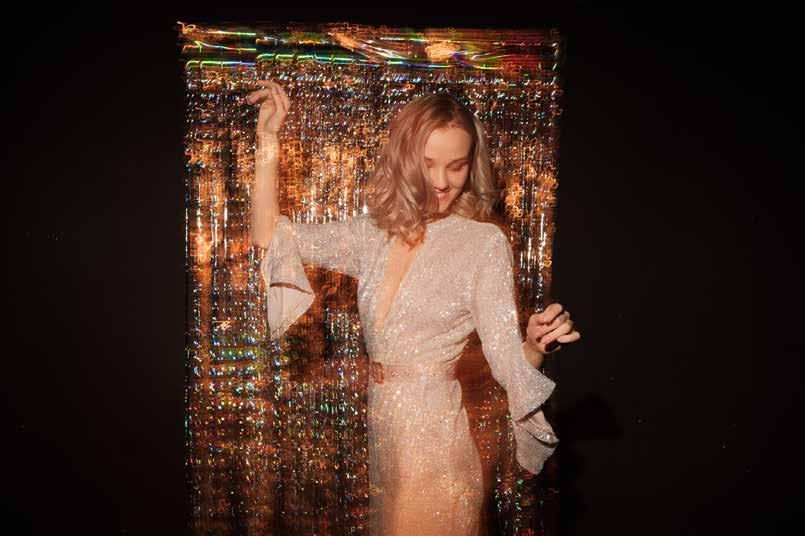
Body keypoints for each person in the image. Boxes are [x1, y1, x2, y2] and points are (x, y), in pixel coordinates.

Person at [247, 80, 581, 536]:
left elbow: (507, 360)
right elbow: (269, 236)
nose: (441, 182)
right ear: (404, 159)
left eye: (456, 166)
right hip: (387, 438)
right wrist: (268, 139)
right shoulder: (374, 234)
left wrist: (535, 345)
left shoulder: (482, 244)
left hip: (437, 444)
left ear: (471, 165)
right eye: (428, 164)